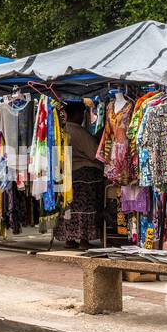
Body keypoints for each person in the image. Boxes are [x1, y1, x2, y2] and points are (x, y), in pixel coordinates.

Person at [54, 101, 104, 249]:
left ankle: (70, 239)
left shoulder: (62, 130)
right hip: (84, 174)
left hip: (68, 173)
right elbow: (95, 153)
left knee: (69, 207)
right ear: (77, 115)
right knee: (85, 207)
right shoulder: (79, 131)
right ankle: (83, 239)